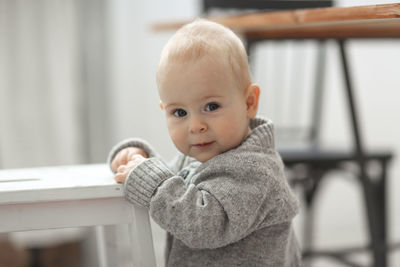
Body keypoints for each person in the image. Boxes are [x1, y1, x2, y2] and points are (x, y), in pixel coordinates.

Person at [107, 19, 301, 267]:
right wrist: (139, 159)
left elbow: (203, 225)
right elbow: (173, 184)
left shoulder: (256, 171)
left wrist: (150, 181)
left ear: (249, 103)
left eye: (211, 106)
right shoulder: (201, 154)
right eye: (179, 113)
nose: (195, 125)